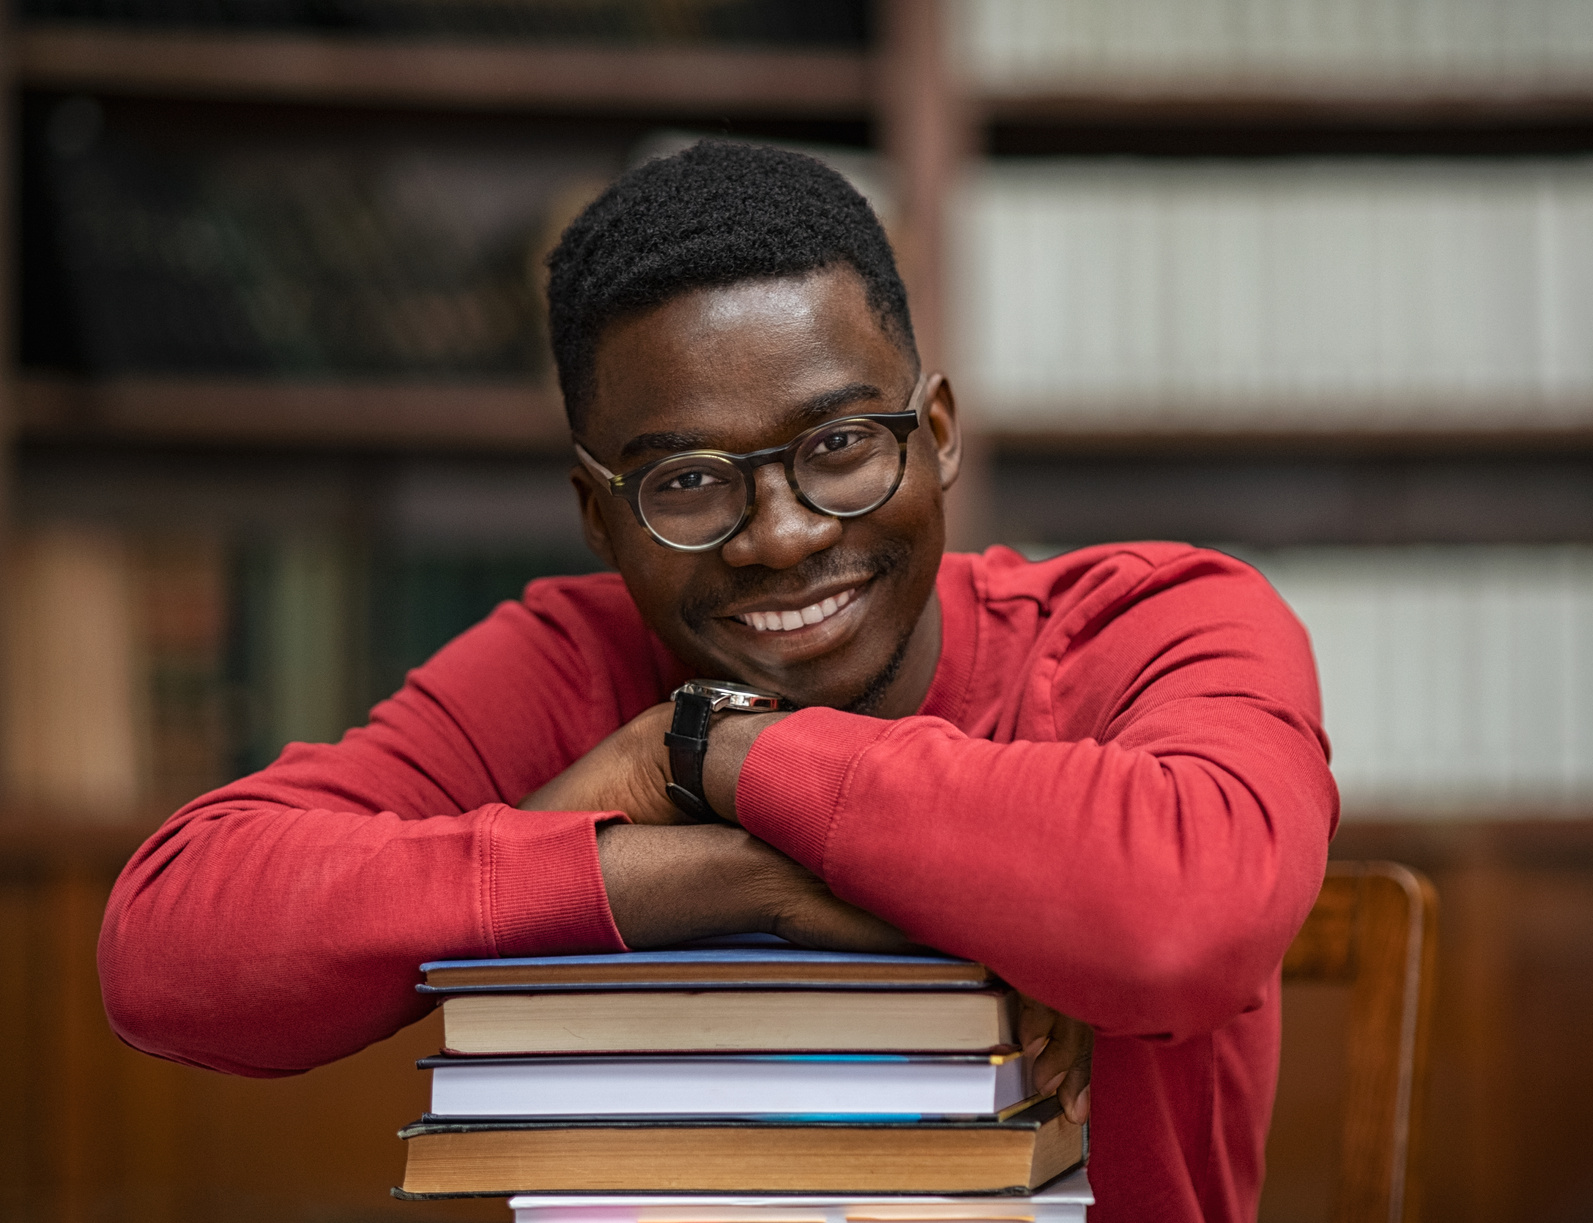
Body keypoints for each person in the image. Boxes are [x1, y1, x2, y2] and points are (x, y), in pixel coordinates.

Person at [97, 140, 1337, 1223]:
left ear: (939, 432)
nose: (781, 534)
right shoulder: (569, 659)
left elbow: (1185, 919)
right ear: (596, 512)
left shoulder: (1154, 625)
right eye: (686, 481)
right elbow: (173, 950)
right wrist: (748, 878)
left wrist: (708, 751)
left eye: (840, 445)